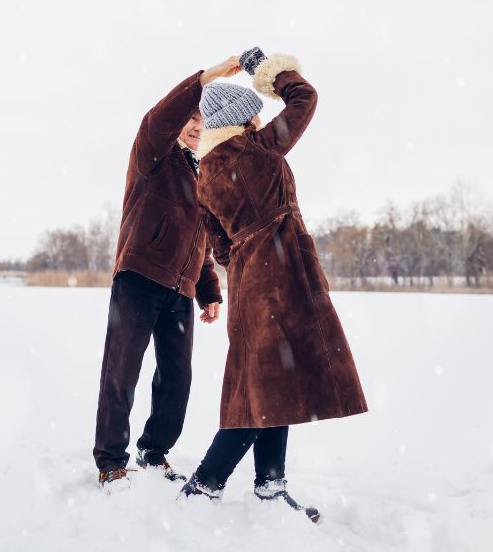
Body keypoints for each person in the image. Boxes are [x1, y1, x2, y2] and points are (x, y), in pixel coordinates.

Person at [179, 48, 369, 522]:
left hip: (249, 278)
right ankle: (205, 484)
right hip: (281, 275)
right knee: (263, 387)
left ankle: (269, 485)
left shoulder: (206, 174)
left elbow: (219, 246)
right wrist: (272, 71)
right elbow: (305, 98)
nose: (262, 115)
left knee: (269, 382)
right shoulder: (258, 148)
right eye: (256, 111)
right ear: (243, 119)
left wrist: (247, 251)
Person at [93, 57, 242, 490]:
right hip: (139, 277)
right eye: (191, 118)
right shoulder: (152, 154)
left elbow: (200, 242)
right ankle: (111, 463)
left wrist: (208, 291)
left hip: (179, 290)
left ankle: (153, 452)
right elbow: (160, 115)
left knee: (177, 378)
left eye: (202, 121)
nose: (197, 126)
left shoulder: (202, 174)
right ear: (178, 122)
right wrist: (207, 79)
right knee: (121, 371)